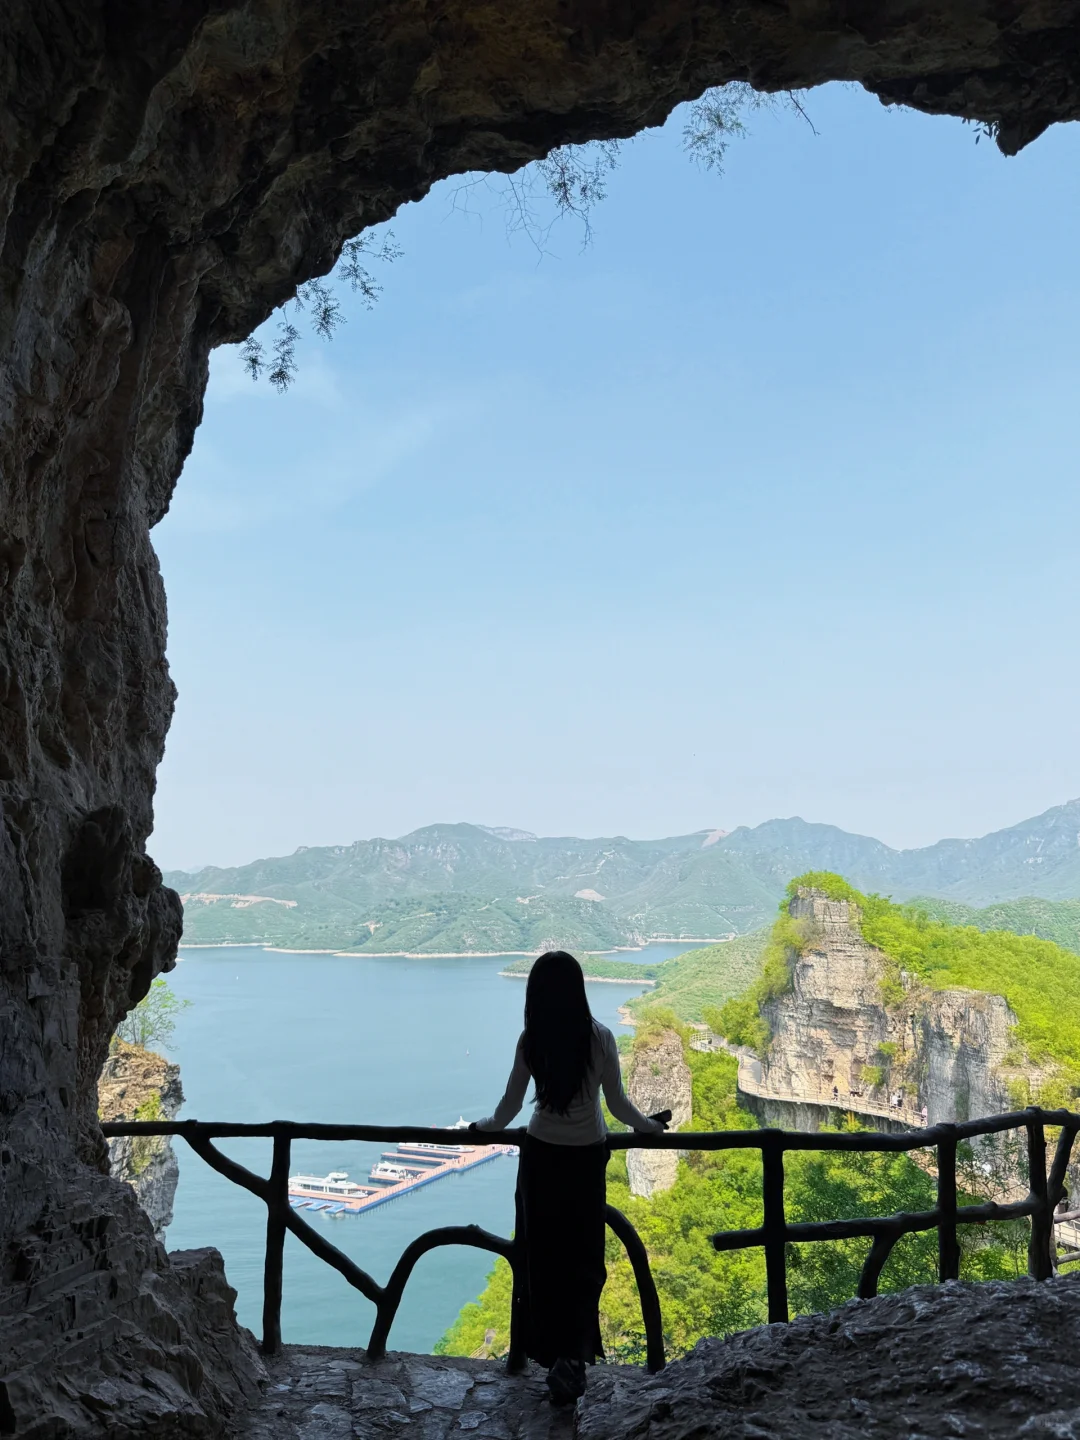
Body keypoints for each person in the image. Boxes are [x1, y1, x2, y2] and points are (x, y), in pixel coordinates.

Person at [471, 950, 668, 1406]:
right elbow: (618, 1106)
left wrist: (482, 1129)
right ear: (579, 989)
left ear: (536, 994)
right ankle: (575, 1356)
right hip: (585, 1161)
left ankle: (546, 1352)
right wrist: (651, 1127)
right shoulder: (599, 1038)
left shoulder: (532, 1039)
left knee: (542, 1258)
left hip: (541, 1158)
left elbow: (507, 1109)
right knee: (582, 1260)